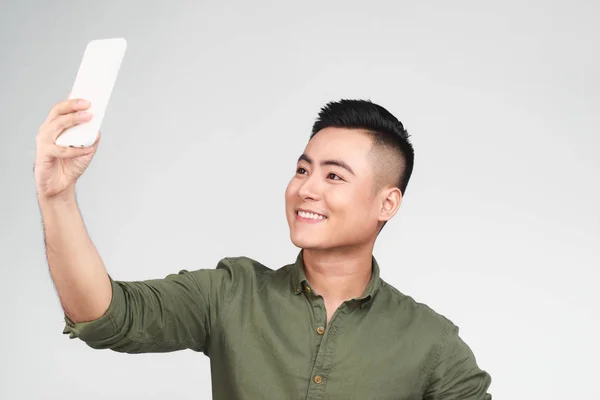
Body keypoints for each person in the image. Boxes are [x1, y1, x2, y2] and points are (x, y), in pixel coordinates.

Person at [35, 98, 493, 399]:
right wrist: (58, 198)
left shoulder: (430, 342)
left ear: (386, 203)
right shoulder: (232, 293)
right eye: (302, 169)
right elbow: (108, 316)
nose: (306, 189)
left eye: (334, 176)